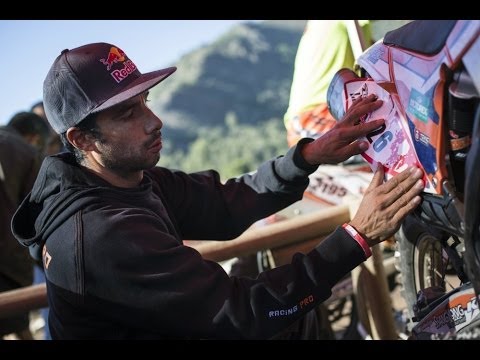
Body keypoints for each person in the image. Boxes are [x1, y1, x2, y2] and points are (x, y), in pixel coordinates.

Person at [11, 42, 424, 340]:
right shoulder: (101, 236)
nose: (154, 121)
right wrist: (357, 236)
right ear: (82, 140)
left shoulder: (126, 178)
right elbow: (242, 315)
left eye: (146, 101)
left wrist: (309, 155)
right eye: (128, 113)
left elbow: (227, 203)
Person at [0, 112, 49, 340]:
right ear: (33, 137)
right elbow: (36, 216)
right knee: (18, 321)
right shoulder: (24, 152)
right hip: (7, 258)